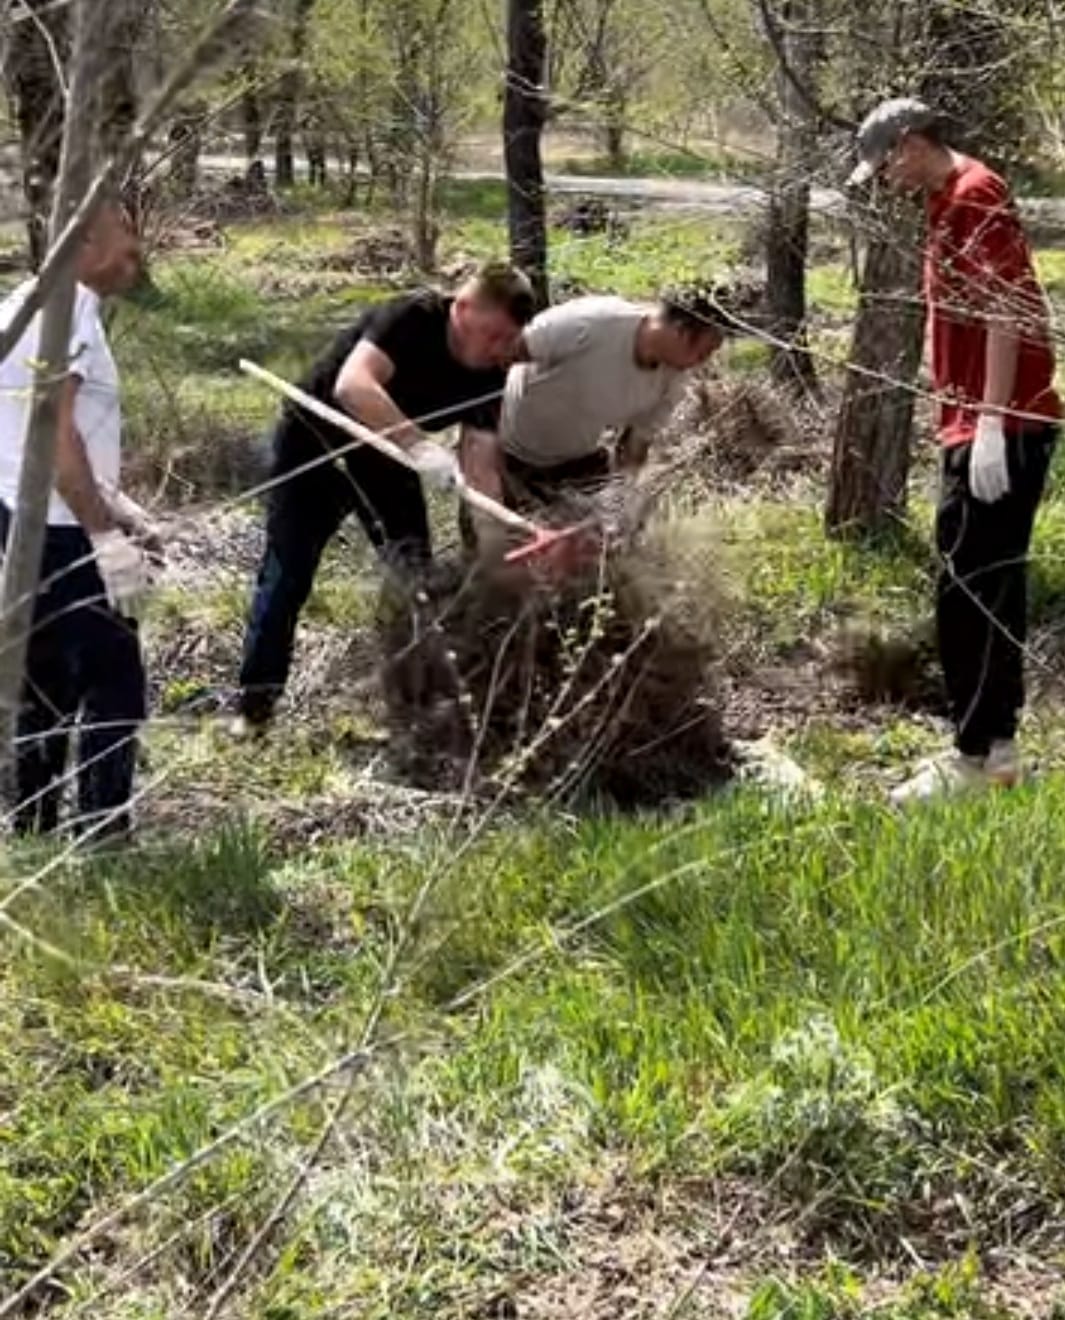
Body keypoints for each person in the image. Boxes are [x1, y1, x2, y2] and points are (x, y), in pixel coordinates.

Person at [846, 98, 1061, 801]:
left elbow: (1006, 308)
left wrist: (993, 421)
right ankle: (995, 752)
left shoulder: (976, 194)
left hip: (1003, 426)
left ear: (911, 143)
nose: (885, 181)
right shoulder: (945, 201)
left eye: (885, 167)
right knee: (978, 583)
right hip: (974, 422)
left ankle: (975, 756)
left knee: (970, 589)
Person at [234, 262, 536, 734]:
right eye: (493, 335)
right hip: (316, 441)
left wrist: (497, 553)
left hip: (386, 457)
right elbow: (353, 385)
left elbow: (481, 466)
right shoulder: (411, 317)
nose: (499, 349)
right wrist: (419, 445)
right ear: (462, 309)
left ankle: (413, 708)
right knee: (289, 571)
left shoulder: (491, 373)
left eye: (508, 340)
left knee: (414, 577)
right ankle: (255, 708)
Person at [0, 199, 155, 838]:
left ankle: (31, 830)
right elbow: (55, 434)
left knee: (45, 685)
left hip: (26, 523)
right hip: (61, 534)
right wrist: (102, 536)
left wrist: (123, 507)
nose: (136, 252)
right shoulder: (65, 313)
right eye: (126, 237)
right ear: (85, 242)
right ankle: (101, 834)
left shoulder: (29, 307)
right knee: (115, 685)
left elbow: (32, 434)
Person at [460, 286, 746, 551]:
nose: (704, 361)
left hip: (574, 461)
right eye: (704, 352)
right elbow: (504, 352)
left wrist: (622, 499)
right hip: (506, 452)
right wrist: (480, 440)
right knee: (494, 555)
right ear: (682, 331)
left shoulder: (674, 380)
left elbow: (635, 446)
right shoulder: (593, 323)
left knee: (600, 549)